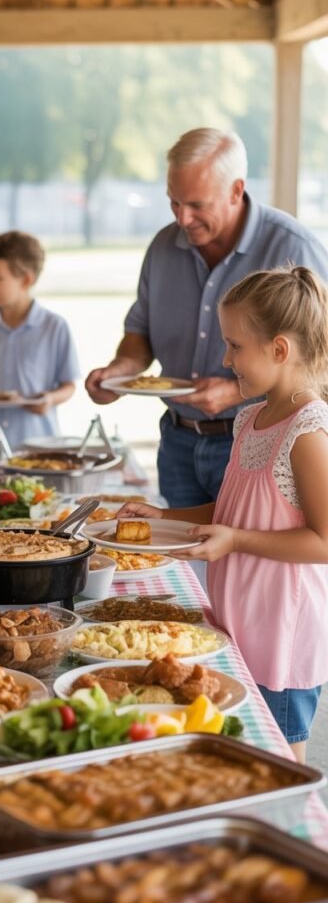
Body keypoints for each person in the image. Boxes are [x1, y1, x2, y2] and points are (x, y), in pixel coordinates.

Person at [118, 266, 328, 762]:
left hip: (282, 631)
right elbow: (235, 505)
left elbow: (322, 541)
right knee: (236, 744)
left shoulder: (308, 432)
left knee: (276, 757)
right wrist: (163, 515)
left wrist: (234, 541)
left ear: (279, 350)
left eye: (236, 346)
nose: (225, 358)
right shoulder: (250, 417)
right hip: (241, 622)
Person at [85, 128, 328, 508]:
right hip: (177, 442)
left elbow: (320, 358)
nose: (183, 218)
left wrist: (234, 392)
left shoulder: (293, 247)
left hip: (261, 443)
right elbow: (140, 332)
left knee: (250, 555)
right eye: (174, 202)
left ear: (236, 190)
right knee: (178, 560)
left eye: (197, 204)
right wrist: (119, 371)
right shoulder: (163, 248)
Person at [0, 231, 81, 449]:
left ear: (26, 280)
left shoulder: (54, 327)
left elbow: (69, 385)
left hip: (36, 445)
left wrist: (49, 399)